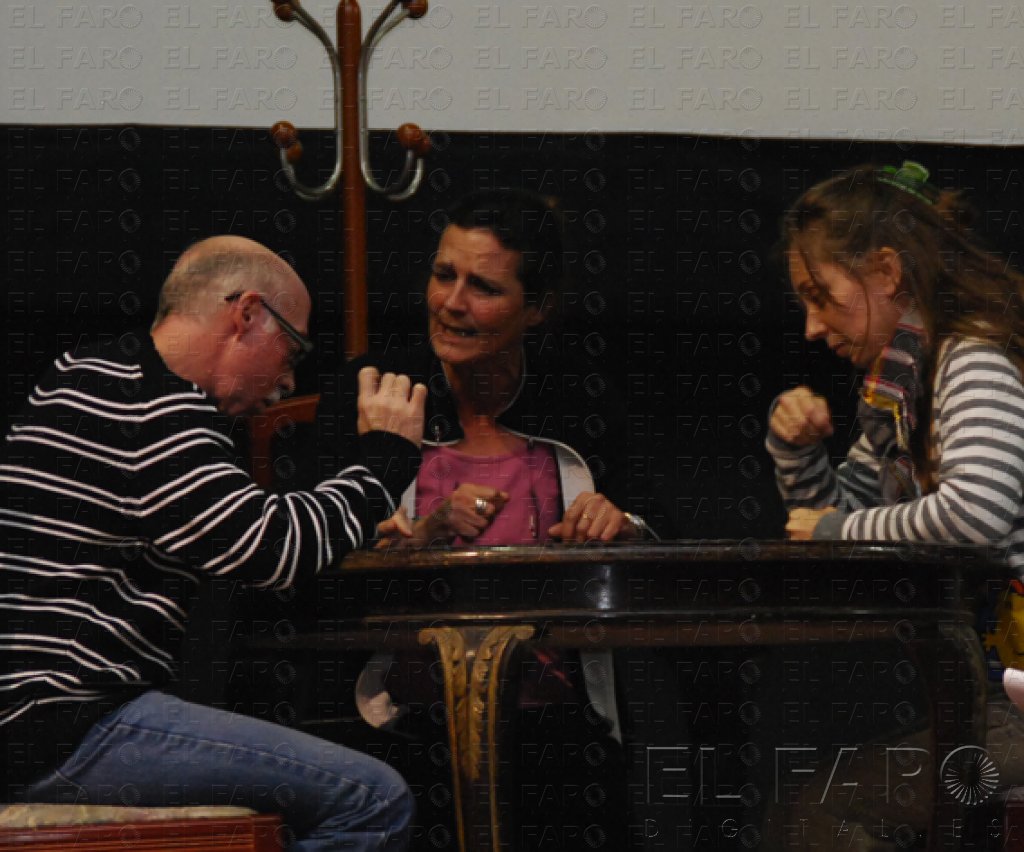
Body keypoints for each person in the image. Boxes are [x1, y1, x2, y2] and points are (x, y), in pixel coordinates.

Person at [0, 235, 428, 852]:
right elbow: (273, 549)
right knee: (373, 800)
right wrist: (385, 459)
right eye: (292, 348)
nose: (287, 380)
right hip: (58, 721)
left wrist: (347, 519)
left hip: (37, 717)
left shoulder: (93, 372)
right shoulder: (152, 405)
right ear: (247, 314)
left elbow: (240, 525)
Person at [765, 162, 1024, 820]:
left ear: (886, 271)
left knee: (825, 811)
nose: (812, 327)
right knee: (817, 796)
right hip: (999, 693)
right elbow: (843, 520)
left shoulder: (971, 359)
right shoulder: (901, 388)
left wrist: (834, 529)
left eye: (821, 296)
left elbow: (977, 513)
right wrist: (797, 451)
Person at [315, 187, 655, 546]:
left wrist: (625, 526)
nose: (452, 303)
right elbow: (313, 545)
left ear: (538, 308)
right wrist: (425, 532)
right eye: (444, 275)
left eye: (483, 288)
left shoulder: (579, 395)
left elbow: (657, 530)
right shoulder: (372, 388)